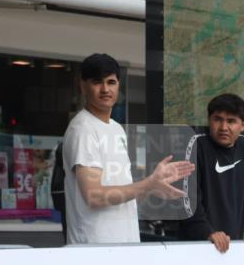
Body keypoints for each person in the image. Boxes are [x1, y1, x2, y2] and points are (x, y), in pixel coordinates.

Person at [63, 53, 193, 245]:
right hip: (95, 248)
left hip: (124, 245)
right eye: (97, 82)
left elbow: (122, 195)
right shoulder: (83, 129)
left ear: (119, 85)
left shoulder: (116, 128)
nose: (105, 89)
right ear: (82, 86)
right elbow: (94, 196)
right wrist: (148, 183)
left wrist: (152, 187)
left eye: (111, 82)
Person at [178, 93, 244, 251]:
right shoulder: (195, 145)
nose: (223, 127)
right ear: (209, 120)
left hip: (234, 247)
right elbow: (187, 200)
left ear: (243, 125)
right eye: (217, 119)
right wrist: (208, 233)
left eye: (231, 121)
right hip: (198, 247)